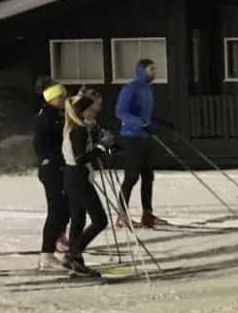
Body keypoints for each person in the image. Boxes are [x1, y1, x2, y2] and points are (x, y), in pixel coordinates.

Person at [62, 91, 115, 277]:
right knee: (100, 220)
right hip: (78, 176)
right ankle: (73, 253)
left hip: (73, 176)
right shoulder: (78, 130)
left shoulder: (79, 127)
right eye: (91, 110)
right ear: (83, 111)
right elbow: (80, 158)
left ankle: (75, 260)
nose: (94, 112)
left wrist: (100, 141)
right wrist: (101, 147)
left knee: (78, 218)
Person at [115, 58, 165, 227]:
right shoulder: (130, 88)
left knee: (148, 175)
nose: (154, 73)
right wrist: (140, 123)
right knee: (131, 176)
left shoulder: (148, 90)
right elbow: (121, 112)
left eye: (155, 69)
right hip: (131, 136)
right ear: (141, 70)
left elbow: (144, 114)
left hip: (145, 136)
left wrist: (156, 122)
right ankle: (122, 215)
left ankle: (147, 214)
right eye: (151, 69)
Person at [34, 81, 72, 272]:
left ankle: (58, 238)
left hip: (59, 166)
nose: (64, 99)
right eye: (61, 96)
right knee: (56, 210)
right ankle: (46, 255)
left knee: (65, 208)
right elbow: (40, 145)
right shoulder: (46, 116)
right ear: (51, 98)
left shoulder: (57, 114)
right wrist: (51, 159)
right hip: (51, 169)